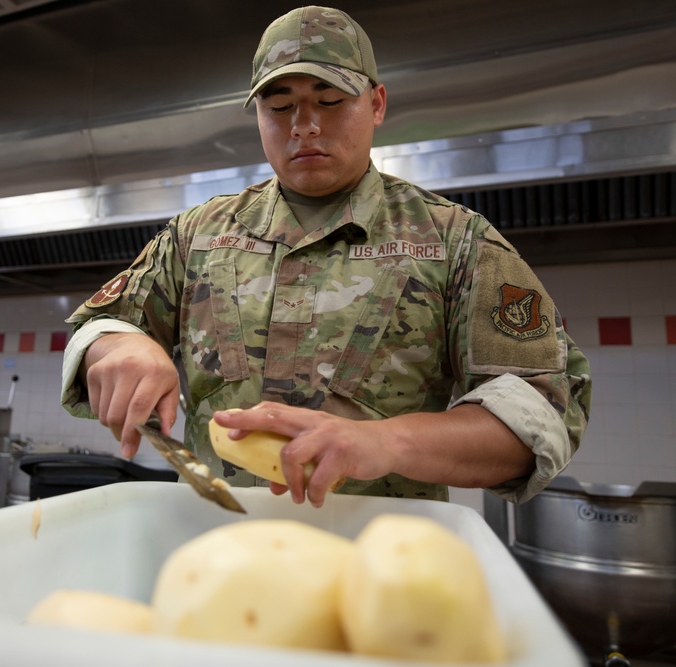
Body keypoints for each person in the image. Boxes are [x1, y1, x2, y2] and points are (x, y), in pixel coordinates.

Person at [60, 5, 592, 508]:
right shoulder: (198, 235)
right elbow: (101, 325)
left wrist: (382, 443)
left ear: (377, 104)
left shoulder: (455, 242)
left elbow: (542, 409)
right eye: (280, 106)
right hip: (218, 549)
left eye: (330, 100)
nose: (304, 125)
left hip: (374, 567)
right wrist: (116, 346)